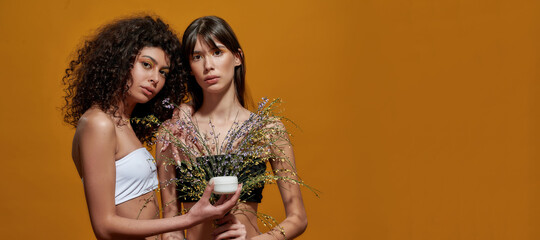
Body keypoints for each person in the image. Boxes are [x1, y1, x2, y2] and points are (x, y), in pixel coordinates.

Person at [62, 15, 241, 240]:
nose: (155, 79)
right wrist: (190, 218)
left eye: (163, 72)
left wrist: (183, 109)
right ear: (120, 60)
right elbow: (104, 225)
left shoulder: (124, 122)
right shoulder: (98, 123)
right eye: (146, 65)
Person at [156, 16, 307, 240]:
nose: (208, 66)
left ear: (237, 57)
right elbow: (170, 221)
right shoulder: (174, 133)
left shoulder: (267, 129)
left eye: (217, 52)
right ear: (189, 68)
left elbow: (298, 217)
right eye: (197, 57)